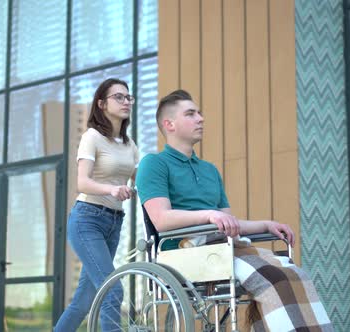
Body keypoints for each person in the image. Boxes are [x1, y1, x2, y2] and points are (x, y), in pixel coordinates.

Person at [136, 89, 333, 331]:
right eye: (191, 114)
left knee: (294, 273)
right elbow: (161, 220)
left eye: (199, 113)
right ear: (170, 124)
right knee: (270, 280)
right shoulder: (153, 164)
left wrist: (266, 224)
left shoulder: (209, 170)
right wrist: (209, 215)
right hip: (183, 249)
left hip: (223, 245)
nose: (200, 118)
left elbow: (229, 222)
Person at [55, 78, 138, 332]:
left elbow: (141, 180)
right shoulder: (92, 137)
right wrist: (112, 188)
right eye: (119, 97)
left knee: (84, 301)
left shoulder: (129, 144)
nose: (126, 102)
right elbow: (82, 182)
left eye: (128, 97)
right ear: (101, 104)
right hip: (87, 219)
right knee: (112, 290)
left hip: (114, 222)